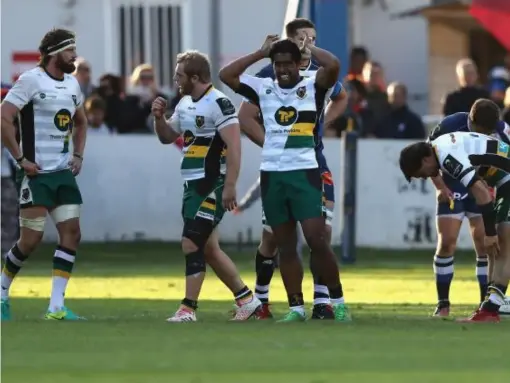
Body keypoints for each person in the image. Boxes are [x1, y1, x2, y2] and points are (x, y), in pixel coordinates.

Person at [220, 35, 351, 322]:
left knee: (317, 240)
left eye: (288, 64)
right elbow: (225, 75)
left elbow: (335, 64)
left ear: (297, 64)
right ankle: (296, 308)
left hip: (305, 173)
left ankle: (338, 301)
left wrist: (309, 48)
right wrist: (259, 53)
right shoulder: (263, 86)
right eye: (277, 64)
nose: (283, 70)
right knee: (285, 244)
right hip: (272, 176)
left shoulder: (313, 83)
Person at [152, 50, 261, 322]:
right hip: (193, 185)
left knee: (191, 242)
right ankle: (248, 301)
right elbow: (168, 137)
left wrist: (230, 185)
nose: (175, 80)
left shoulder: (219, 103)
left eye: (179, 75)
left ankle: (188, 308)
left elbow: (235, 145)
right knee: (209, 249)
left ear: (195, 77)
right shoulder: (185, 103)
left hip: (213, 183)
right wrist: (158, 119)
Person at [1, 28, 87, 321]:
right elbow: (4, 116)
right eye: (69, 50)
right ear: (53, 53)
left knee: (72, 234)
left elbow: (82, 122)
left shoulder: (73, 85)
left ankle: (55, 307)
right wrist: (20, 159)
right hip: (36, 174)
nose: (74, 55)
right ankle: (1, 294)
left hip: (63, 174)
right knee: (30, 240)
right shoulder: (30, 80)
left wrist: (78, 155)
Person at [399, 130, 510, 322]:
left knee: (502, 244)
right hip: (504, 182)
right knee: (498, 249)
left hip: (507, 181)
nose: (423, 178)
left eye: (419, 174)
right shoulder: (442, 147)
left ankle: (490, 309)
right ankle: (489, 308)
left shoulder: (447, 156)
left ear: (425, 160)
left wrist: (489, 233)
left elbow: (482, 194)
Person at [426, 99, 510, 316]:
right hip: (453, 184)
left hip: (484, 184)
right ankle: (444, 303)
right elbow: (426, 155)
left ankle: (488, 301)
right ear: (471, 121)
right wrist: (440, 187)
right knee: (447, 242)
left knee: (489, 243)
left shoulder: (501, 129)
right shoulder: (450, 125)